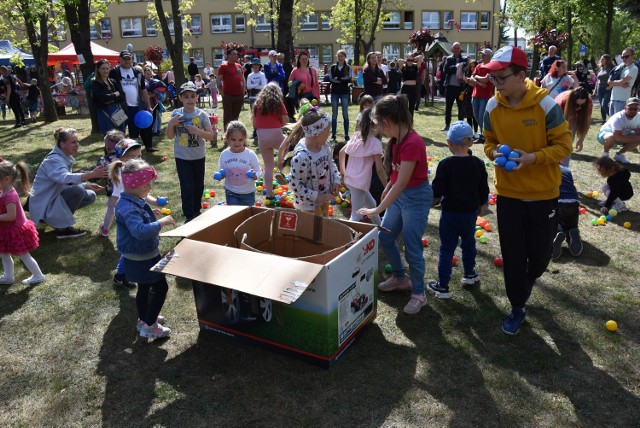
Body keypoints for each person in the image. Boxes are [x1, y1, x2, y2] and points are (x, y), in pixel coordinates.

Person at [482, 46, 572, 334]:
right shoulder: (492, 106)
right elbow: (488, 141)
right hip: (508, 194)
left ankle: (529, 279)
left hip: (543, 194)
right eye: (492, 77)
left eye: (500, 77)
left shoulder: (546, 106)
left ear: (521, 76)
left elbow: (564, 147)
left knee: (540, 257)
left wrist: (532, 158)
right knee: (513, 255)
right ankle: (517, 305)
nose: (494, 83)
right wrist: (494, 153)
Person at [357, 95, 432, 315]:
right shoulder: (397, 140)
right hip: (400, 196)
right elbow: (396, 176)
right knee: (386, 237)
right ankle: (400, 278)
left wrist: (376, 210)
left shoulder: (412, 143)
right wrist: (388, 188)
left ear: (387, 122)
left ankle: (419, 293)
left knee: (412, 247)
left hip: (416, 199)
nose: (379, 131)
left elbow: (402, 183)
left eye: (379, 125)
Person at [112, 159, 175, 338]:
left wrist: (150, 216)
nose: (149, 188)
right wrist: (160, 222)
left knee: (144, 288)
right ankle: (149, 326)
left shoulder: (131, 200)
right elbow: (139, 231)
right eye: (146, 185)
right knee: (161, 288)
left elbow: (139, 220)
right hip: (143, 257)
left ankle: (144, 319)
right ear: (135, 185)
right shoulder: (130, 207)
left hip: (138, 257)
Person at [427, 121, 489, 299]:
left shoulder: (446, 165)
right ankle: (469, 274)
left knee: (447, 248)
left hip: (450, 215)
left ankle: (443, 286)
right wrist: (481, 204)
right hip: (469, 214)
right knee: (469, 244)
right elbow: (483, 189)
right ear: (470, 143)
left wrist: (429, 198)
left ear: (449, 143)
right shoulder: (477, 163)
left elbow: (437, 191)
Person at [29, 128, 107, 239]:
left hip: (52, 198)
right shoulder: (53, 159)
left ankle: (58, 222)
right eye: (73, 142)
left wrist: (87, 185)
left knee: (90, 195)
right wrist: (91, 174)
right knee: (78, 191)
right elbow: (64, 178)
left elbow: (63, 183)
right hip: (44, 203)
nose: (77, 145)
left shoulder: (62, 156)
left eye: (77, 142)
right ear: (62, 144)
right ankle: (62, 229)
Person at [166, 82, 214, 222]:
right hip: (182, 157)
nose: (189, 99)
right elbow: (170, 136)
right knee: (187, 186)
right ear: (180, 98)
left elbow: (210, 136)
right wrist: (171, 124)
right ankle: (188, 214)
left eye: (192, 96)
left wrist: (198, 131)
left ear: (197, 97)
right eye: (186, 96)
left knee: (198, 185)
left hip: (198, 156)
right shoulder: (176, 114)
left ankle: (196, 210)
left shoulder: (201, 114)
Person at [285, 107, 340, 216]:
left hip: (324, 198)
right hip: (308, 205)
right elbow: (294, 183)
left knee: (323, 226)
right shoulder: (302, 157)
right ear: (317, 132)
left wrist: (336, 180)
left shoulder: (325, 146)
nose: (329, 134)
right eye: (327, 131)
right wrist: (316, 196)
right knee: (312, 230)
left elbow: (331, 163)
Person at [0, 159, 45, 285]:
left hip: (15, 230)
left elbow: (11, 216)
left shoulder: (10, 196)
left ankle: (38, 275)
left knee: (23, 255)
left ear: (7, 179)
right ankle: (8, 277)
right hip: (6, 230)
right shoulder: (4, 191)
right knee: (3, 253)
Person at [338, 107, 386, 225]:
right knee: (356, 216)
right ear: (375, 124)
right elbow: (380, 170)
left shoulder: (356, 135)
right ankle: (348, 241)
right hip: (359, 184)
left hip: (351, 180)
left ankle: (380, 231)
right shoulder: (375, 143)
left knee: (372, 205)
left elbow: (341, 152)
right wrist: (387, 187)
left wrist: (343, 173)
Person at [109, 51, 154, 149]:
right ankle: (117, 151)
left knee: (134, 133)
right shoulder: (114, 72)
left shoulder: (137, 72)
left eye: (128, 58)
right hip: (120, 107)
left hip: (135, 107)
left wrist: (148, 105)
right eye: (124, 58)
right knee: (119, 132)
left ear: (131, 59)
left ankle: (133, 152)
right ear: (120, 59)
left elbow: (143, 90)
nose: (127, 61)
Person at [253, 82, 288, 202]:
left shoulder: (258, 104)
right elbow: (285, 123)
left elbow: (254, 123)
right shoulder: (279, 104)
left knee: (268, 166)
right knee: (291, 148)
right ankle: (282, 166)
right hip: (276, 134)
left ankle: (269, 193)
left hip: (262, 136)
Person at [218, 121, 262, 206]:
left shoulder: (250, 154)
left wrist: (255, 175)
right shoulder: (224, 154)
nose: (237, 143)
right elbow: (221, 170)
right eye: (233, 139)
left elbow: (258, 170)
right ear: (227, 138)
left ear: (245, 138)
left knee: (247, 215)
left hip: (248, 192)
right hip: (231, 191)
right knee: (235, 215)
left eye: (240, 140)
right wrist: (221, 175)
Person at [551, 163, 583, 260]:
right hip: (573, 202)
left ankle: (557, 233)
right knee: (570, 225)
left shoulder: (546, 169)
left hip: (557, 202)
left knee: (551, 223)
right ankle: (572, 233)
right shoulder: (566, 170)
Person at [97, 129, 125, 237]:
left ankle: (105, 229)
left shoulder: (103, 160)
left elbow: (97, 173)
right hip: (127, 189)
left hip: (112, 191)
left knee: (110, 210)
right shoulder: (125, 158)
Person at [555, 87, 592, 163]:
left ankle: (564, 164)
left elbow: (587, 122)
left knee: (569, 138)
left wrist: (581, 139)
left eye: (582, 105)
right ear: (572, 102)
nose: (579, 107)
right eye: (577, 105)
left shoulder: (589, 103)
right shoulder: (561, 102)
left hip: (570, 113)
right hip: (562, 113)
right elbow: (555, 126)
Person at [596, 97, 640, 163]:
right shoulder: (618, 117)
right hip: (605, 135)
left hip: (623, 135)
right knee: (611, 136)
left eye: (635, 109)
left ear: (638, 109)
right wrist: (637, 138)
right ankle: (605, 154)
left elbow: (638, 131)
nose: (633, 111)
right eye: (630, 108)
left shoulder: (639, 117)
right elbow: (617, 137)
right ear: (625, 108)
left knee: (637, 140)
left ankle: (619, 155)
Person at [91, 59, 126, 135]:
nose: (106, 71)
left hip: (117, 109)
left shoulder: (113, 81)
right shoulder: (95, 83)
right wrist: (115, 95)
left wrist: (110, 98)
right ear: (98, 70)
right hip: (104, 112)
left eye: (107, 68)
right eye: (103, 69)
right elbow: (102, 98)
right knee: (110, 136)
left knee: (121, 133)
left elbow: (122, 95)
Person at [467, 48, 495, 140]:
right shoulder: (478, 66)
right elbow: (472, 77)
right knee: (476, 115)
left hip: (486, 95)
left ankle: (483, 135)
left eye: (484, 55)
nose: (482, 56)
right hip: (475, 94)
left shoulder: (492, 66)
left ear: (489, 56)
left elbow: (486, 79)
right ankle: (483, 134)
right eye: (482, 55)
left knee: (482, 115)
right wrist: (479, 82)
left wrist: (477, 77)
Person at [440, 43, 469, 131]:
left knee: (461, 107)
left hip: (460, 88)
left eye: (458, 48)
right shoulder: (449, 58)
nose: (456, 49)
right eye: (455, 48)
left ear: (460, 49)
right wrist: (457, 67)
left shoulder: (465, 59)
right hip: (450, 87)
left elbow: (466, 68)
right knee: (448, 107)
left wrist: (454, 68)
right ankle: (447, 124)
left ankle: (461, 124)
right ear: (452, 49)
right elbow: (446, 70)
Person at [217, 48, 246, 130]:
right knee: (228, 115)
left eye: (236, 54)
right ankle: (227, 133)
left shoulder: (239, 66)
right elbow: (218, 79)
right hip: (228, 95)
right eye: (233, 54)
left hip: (239, 95)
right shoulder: (223, 66)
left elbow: (242, 78)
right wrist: (221, 91)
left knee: (236, 115)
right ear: (228, 55)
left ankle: (234, 131)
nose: (236, 56)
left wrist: (243, 90)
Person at [329, 50, 352, 142]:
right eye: (339, 56)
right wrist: (342, 80)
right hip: (334, 92)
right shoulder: (333, 67)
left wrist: (338, 79)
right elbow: (331, 79)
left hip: (344, 93)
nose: (340, 58)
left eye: (342, 56)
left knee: (345, 114)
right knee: (334, 114)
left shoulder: (348, 67)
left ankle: (346, 135)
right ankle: (333, 135)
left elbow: (349, 78)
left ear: (345, 57)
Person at [608, 48, 638, 116]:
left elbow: (620, 82)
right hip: (613, 98)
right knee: (611, 122)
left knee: (618, 124)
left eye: (626, 56)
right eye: (622, 57)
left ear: (632, 56)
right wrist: (619, 83)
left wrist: (617, 83)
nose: (624, 59)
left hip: (622, 100)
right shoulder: (620, 67)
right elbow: (609, 80)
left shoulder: (634, 68)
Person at [246, 58, 267, 138]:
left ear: (259, 66)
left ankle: (261, 130)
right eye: (254, 65)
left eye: (257, 65)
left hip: (260, 97)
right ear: (252, 66)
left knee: (261, 113)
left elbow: (263, 86)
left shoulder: (262, 75)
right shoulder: (250, 75)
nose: (255, 66)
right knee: (254, 114)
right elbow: (248, 86)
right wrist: (257, 84)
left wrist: (253, 85)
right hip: (252, 97)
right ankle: (255, 131)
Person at [596, 54, 614, 122]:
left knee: (604, 104)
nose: (601, 60)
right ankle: (603, 120)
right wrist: (595, 90)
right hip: (599, 88)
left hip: (607, 89)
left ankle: (613, 118)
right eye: (601, 59)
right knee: (601, 105)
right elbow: (598, 80)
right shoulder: (601, 68)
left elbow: (615, 78)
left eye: (602, 59)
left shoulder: (612, 67)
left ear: (607, 60)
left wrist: (610, 86)